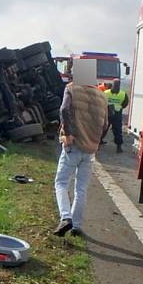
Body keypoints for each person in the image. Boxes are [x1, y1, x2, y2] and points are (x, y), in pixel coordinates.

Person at [53, 74, 109, 237]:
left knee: (61, 183)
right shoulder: (102, 96)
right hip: (90, 149)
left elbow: (63, 109)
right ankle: (76, 226)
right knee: (81, 188)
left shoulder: (72, 88)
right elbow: (105, 124)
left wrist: (68, 134)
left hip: (73, 145)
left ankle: (65, 217)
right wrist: (97, 141)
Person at [104, 79, 129, 153]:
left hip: (109, 114)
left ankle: (118, 146)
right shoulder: (123, 94)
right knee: (116, 130)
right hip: (115, 114)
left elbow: (125, 103)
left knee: (106, 129)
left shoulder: (106, 93)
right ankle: (118, 147)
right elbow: (125, 104)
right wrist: (119, 107)